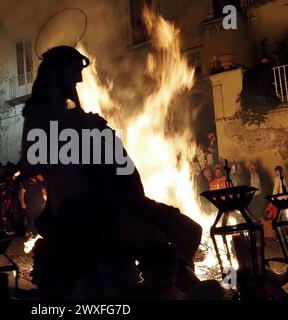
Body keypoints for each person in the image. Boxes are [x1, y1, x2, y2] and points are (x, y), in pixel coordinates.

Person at [21, 46, 203, 299]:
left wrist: (91, 126)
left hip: (117, 198)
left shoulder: (74, 116)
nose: (80, 79)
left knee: (190, 231)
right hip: (84, 207)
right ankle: (177, 289)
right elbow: (37, 164)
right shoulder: (40, 117)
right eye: (75, 71)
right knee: (156, 240)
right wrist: (86, 130)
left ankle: (184, 286)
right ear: (57, 73)